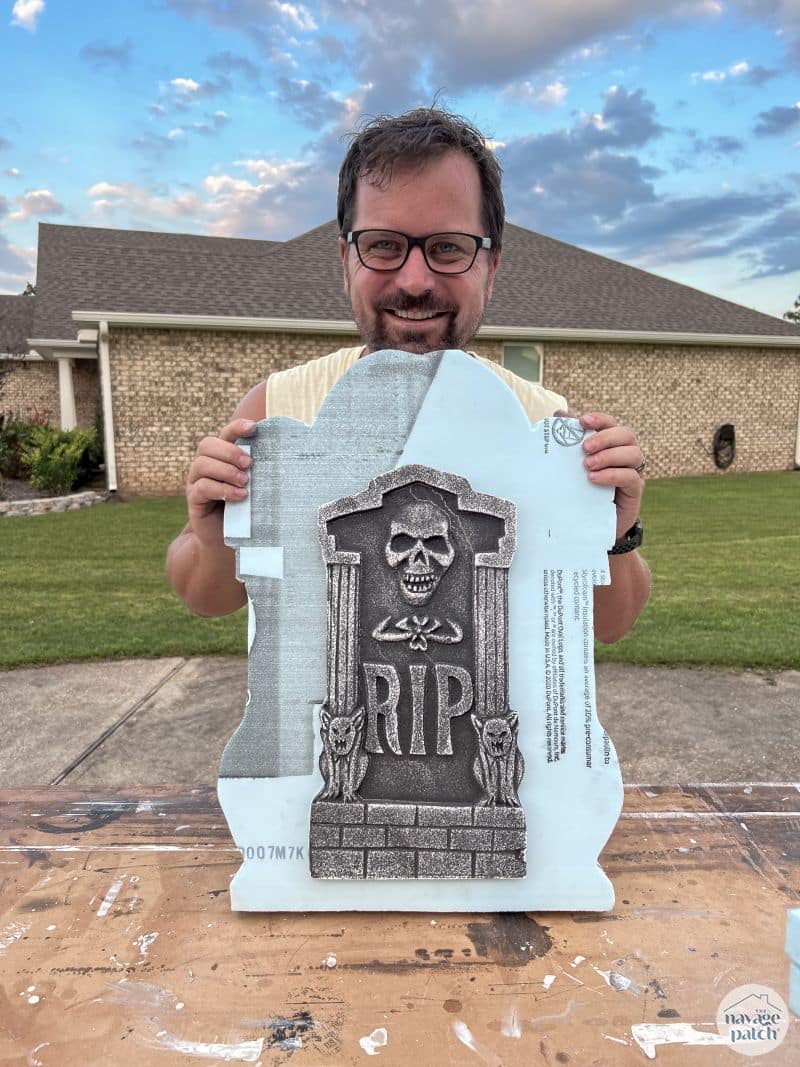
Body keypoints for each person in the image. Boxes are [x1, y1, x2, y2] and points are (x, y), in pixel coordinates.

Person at [166, 107, 650, 640]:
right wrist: (214, 539)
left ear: (490, 269)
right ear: (346, 260)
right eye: (384, 246)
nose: (415, 280)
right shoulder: (277, 410)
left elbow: (610, 625)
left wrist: (616, 533)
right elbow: (207, 599)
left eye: (448, 248)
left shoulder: (540, 422)